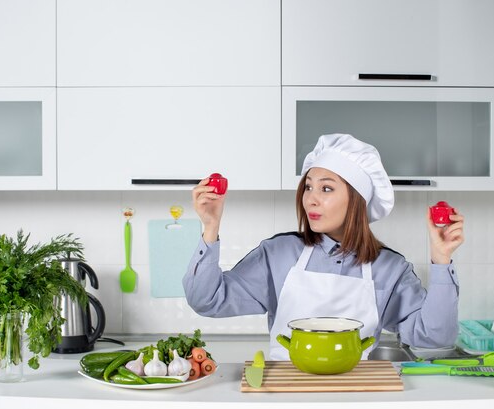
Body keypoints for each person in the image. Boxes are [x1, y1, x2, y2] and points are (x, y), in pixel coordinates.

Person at [183, 133, 464, 360]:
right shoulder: (278, 254)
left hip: (356, 396)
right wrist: (210, 228)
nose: (311, 199)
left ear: (356, 200)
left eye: (326, 189)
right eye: (308, 187)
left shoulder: (389, 268)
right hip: (286, 395)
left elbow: (433, 338)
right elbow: (207, 300)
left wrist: (441, 261)